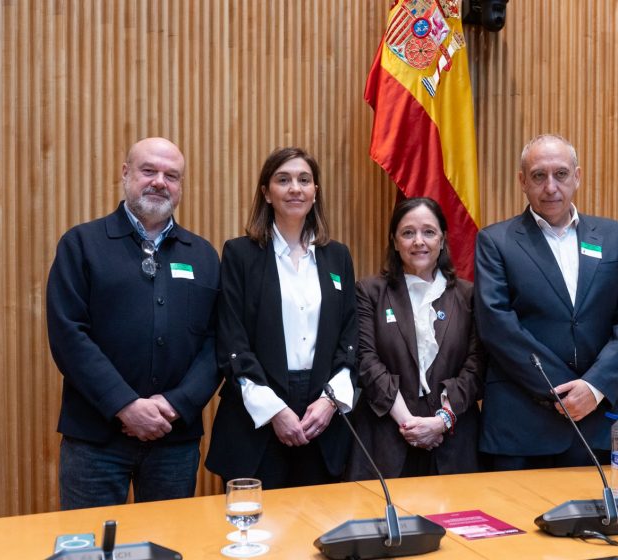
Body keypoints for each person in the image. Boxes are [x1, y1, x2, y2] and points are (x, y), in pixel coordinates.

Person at [46, 137, 220, 509]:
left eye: (171, 175)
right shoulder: (81, 244)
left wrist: (175, 404)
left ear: (181, 186)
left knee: (169, 539)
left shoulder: (203, 255)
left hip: (174, 439)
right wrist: (125, 405)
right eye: (148, 171)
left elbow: (216, 342)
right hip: (95, 439)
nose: (159, 182)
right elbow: (68, 335)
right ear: (125, 174)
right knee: (90, 538)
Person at [475, 134, 618, 470]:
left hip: (597, 420)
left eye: (561, 174)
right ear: (522, 182)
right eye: (538, 176)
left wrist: (594, 386)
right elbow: (497, 326)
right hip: (522, 424)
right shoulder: (495, 241)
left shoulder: (615, 237)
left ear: (577, 177)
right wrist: (565, 390)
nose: (551, 187)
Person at [205, 147, 357, 489]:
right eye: (283, 180)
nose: (295, 189)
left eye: (304, 180)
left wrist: (330, 401)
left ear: (315, 192)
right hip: (256, 417)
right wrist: (274, 410)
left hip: (321, 417)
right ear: (266, 192)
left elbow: (350, 336)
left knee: (318, 519)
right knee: (257, 521)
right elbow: (232, 340)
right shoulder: (240, 254)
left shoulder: (337, 256)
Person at [346, 197, 483, 481]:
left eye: (428, 232)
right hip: (385, 439)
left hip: (453, 442)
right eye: (408, 233)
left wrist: (442, 421)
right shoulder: (370, 292)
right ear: (395, 242)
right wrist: (409, 423)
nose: (418, 241)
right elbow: (366, 361)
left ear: (442, 240)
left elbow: (476, 365)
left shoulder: (468, 295)